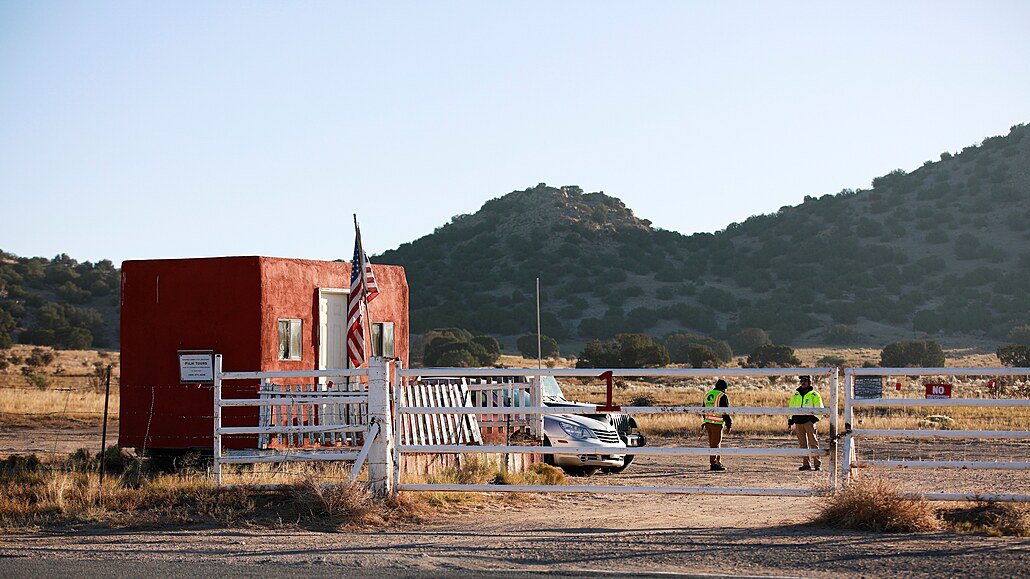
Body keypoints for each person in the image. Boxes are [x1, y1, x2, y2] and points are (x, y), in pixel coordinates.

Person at [788, 375, 824, 471]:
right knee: (802, 444)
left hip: (809, 423)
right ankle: (806, 464)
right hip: (798, 423)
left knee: (813, 443)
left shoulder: (815, 395)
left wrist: (813, 420)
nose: (803, 382)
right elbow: (791, 409)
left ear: (809, 382)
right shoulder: (795, 395)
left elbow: (820, 409)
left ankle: (817, 464)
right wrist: (790, 421)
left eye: (805, 381)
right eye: (801, 381)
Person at [702, 379, 732, 471]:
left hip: (708, 423)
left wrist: (706, 420)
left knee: (713, 443)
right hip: (717, 423)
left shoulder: (707, 395)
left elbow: (703, 409)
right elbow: (725, 412)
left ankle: (717, 462)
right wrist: (729, 424)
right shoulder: (722, 396)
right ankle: (714, 464)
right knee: (716, 444)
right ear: (724, 388)